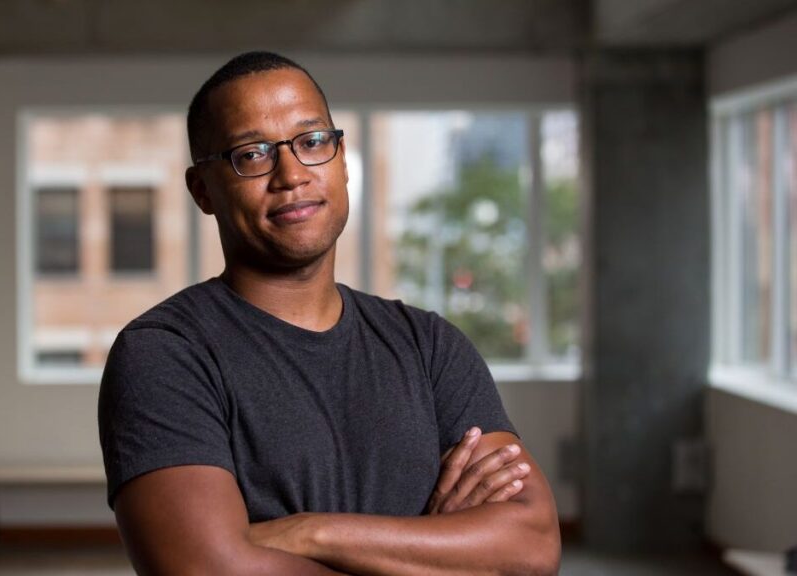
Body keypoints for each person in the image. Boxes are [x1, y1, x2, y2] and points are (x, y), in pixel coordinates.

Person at [98, 51, 560, 576]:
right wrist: (433, 550)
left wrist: (303, 531)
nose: (291, 174)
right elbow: (205, 569)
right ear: (203, 190)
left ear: (341, 161)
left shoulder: (430, 346)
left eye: (312, 142)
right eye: (252, 153)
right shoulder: (165, 354)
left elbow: (531, 548)